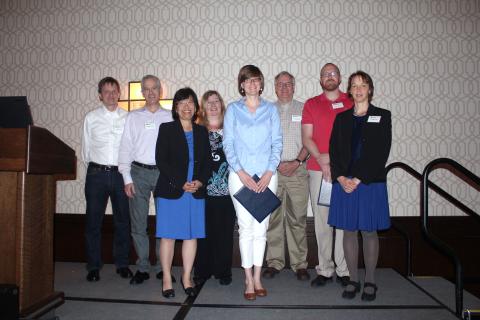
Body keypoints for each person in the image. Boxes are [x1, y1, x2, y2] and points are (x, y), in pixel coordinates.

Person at [328, 71, 391, 301]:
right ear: (350, 90)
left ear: (370, 89)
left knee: (369, 230)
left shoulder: (383, 116)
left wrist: (358, 178)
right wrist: (342, 178)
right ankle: (353, 279)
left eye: (363, 85)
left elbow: (381, 152)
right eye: (354, 85)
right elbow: (334, 150)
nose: (358, 89)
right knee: (349, 231)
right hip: (344, 182)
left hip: (369, 182)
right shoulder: (342, 118)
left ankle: (371, 280)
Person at [223, 65, 282, 301]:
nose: (251, 84)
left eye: (256, 80)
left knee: (261, 229)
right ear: (241, 84)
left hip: (268, 176)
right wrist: (242, 173)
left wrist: (269, 172)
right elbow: (228, 144)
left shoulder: (270, 110)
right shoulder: (233, 110)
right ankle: (247, 279)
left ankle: (258, 277)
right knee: (246, 229)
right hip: (239, 177)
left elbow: (277, 143)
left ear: (261, 84)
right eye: (247, 80)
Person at [154, 87, 211, 298]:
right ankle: (167, 278)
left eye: (190, 103)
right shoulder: (166, 129)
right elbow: (162, 160)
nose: (187, 107)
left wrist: (200, 181)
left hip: (195, 192)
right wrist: (180, 183)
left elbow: (206, 164)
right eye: (182, 103)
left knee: (191, 235)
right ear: (176, 107)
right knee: (168, 236)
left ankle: (186, 277)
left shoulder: (201, 131)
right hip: (171, 191)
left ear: (196, 107)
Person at [301, 63, 353, 288]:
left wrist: (337, 163)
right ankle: (325, 269)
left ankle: (343, 270)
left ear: (340, 78)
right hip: (317, 170)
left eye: (333, 73)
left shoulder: (351, 102)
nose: (329, 77)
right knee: (323, 222)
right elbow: (307, 138)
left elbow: (356, 138)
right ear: (320, 79)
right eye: (325, 74)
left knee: (342, 220)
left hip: (345, 172)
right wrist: (322, 160)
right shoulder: (312, 104)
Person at [118, 75, 173, 285]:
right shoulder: (133, 117)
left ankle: (162, 267)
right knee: (138, 223)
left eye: (154, 88)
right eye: (146, 89)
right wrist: (126, 177)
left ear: (160, 91)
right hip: (138, 173)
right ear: (142, 92)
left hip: (163, 174)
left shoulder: (170, 117)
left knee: (164, 223)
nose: (150, 92)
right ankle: (142, 266)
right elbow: (125, 147)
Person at [82, 77, 132, 282]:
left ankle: (122, 264)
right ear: (100, 95)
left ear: (119, 93)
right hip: (96, 174)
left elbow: (131, 148)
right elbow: (85, 151)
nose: (111, 95)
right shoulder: (91, 118)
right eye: (106, 91)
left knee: (123, 221)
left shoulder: (128, 118)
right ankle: (93, 266)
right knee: (93, 222)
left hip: (121, 175)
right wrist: (97, 170)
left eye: (114, 91)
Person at [262, 72, 310, 281]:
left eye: (288, 84)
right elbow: (261, 141)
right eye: (280, 84)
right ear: (274, 87)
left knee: (297, 219)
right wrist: (275, 164)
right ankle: (274, 262)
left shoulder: (304, 109)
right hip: (272, 172)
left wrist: (296, 162)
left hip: (298, 170)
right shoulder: (266, 110)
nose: (284, 88)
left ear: (294, 86)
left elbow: (310, 140)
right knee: (273, 219)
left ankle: (300, 264)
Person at [194, 90, 236, 286]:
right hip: (203, 190)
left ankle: (223, 271)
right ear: (203, 107)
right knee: (203, 232)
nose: (212, 105)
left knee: (224, 232)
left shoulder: (231, 128)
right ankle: (202, 270)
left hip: (228, 190)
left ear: (222, 104)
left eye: (216, 101)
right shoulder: (196, 130)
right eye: (208, 102)